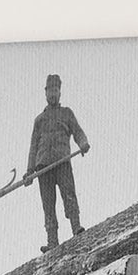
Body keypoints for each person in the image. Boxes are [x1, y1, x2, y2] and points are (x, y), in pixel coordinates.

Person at [27, 72, 90, 252]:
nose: (53, 94)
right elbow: (33, 146)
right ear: (45, 93)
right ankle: (52, 241)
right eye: (50, 90)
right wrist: (29, 171)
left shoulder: (66, 113)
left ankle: (76, 228)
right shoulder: (39, 120)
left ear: (60, 92)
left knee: (69, 194)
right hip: (43, 167)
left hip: (62, 161)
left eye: (56, 90)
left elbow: (77, 131)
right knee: (48, 204)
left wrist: (83, 143)